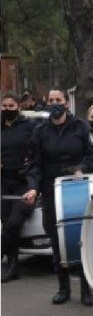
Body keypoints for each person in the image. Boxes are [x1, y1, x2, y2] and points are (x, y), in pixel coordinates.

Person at [23, 88, 93, 306]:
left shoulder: (81, 127)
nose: (54, 103)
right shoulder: (39, 131)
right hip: (50, 191)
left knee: (82, 238)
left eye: (58, 100)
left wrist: (81, 168)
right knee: (57, 241)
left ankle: (86, 289)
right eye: (51, 100)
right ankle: (63, 287)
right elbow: (34, 165)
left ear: (67, 103)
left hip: (77, 189)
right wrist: (32, 188)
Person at [1, 93, 35, 283]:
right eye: (4, 105)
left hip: (23, 181)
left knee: (14, 222)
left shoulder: (29, 126)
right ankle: (13, 266)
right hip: (3, 182)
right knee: (7, 224)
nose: (7, 109)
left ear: (18, 107)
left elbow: (37, 149)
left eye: (11, 105)